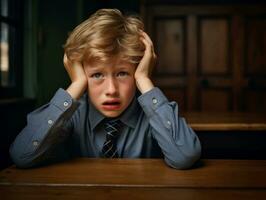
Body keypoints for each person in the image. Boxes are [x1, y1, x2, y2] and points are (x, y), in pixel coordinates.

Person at [9, 9, 201, 169]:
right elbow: (22, 156)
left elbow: (184, 156)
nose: (111, 90)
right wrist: (76, 84)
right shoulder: (72, 115)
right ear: (83, 75)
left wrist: (144, 79)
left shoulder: (152, 117)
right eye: (97, 75)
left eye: (122, 73)